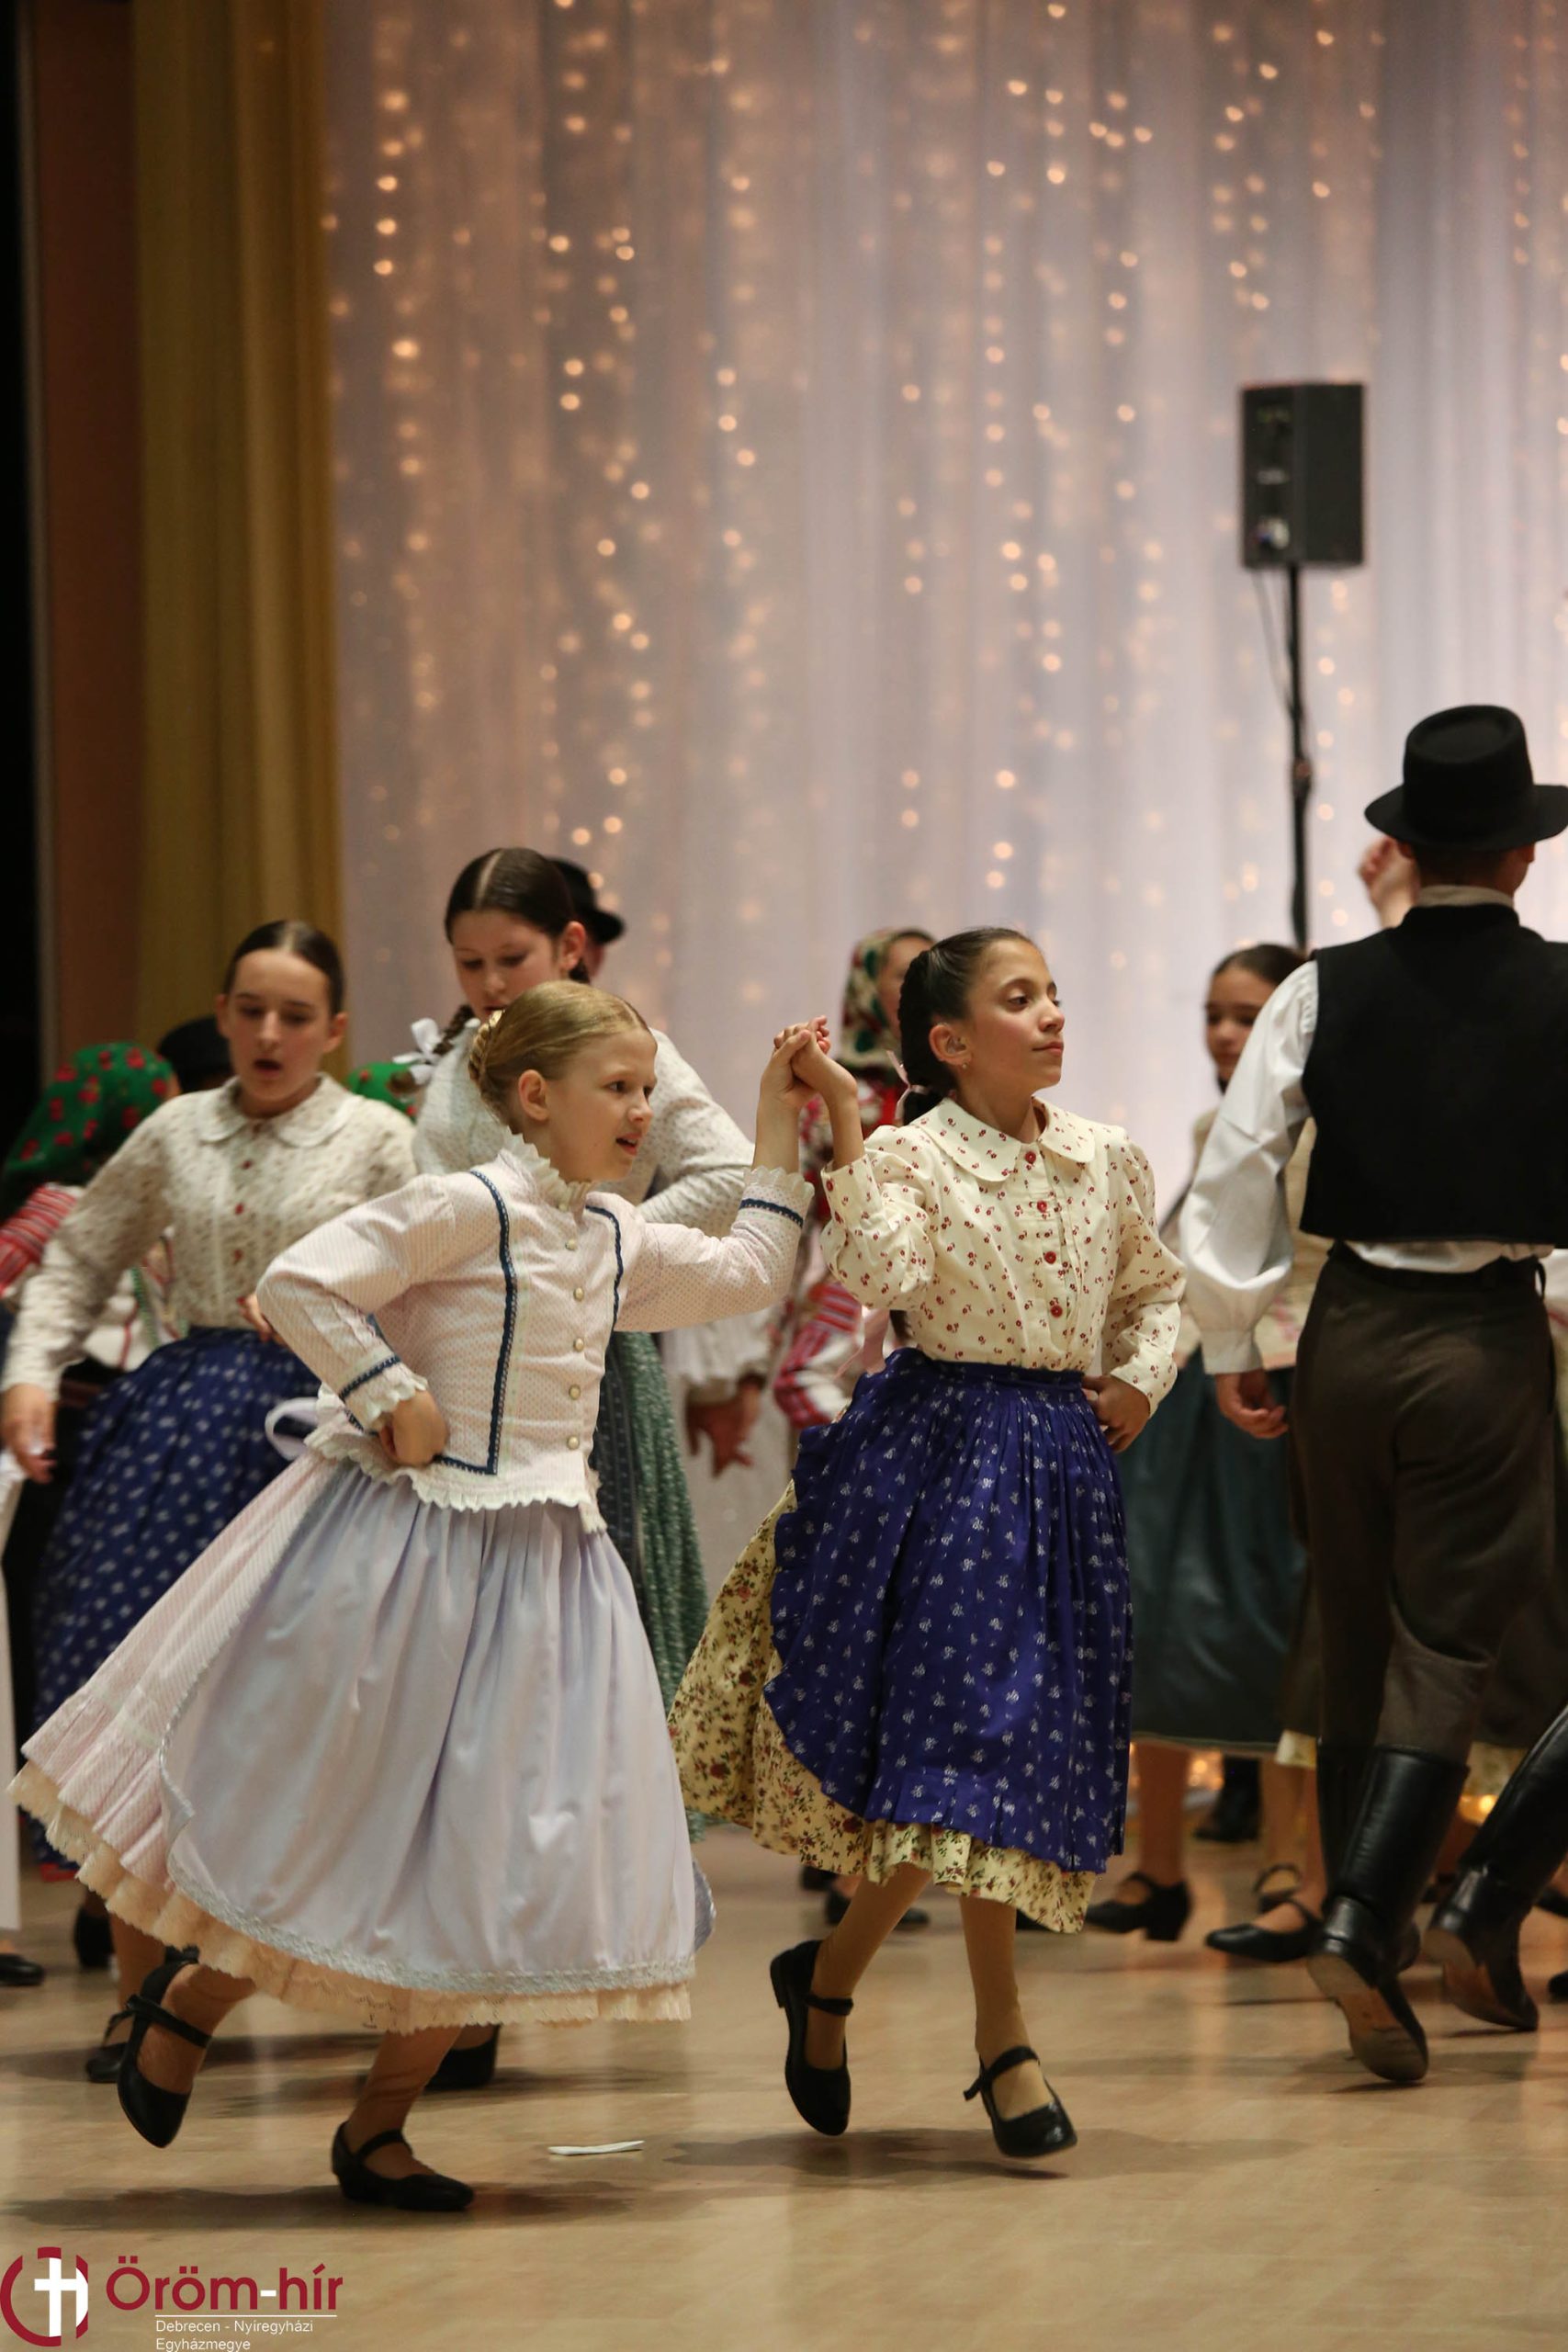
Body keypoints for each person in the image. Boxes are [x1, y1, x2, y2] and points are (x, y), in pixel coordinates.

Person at [13, 984, 813, 2211]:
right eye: (617, 1087)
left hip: (551, 1576)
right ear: (534, 1096)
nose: (641, 1113)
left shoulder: (608, 1231)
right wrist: (389, 1389)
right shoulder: (465, 1205)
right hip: (417, 1564)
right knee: (347, 1822)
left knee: (491, 1864)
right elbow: (301, 1281)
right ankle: (194, 1997)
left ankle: (378, 2129)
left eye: (647, 1090)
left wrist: (773, 1116)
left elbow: (750, 1269)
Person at [671, 927, 1182, 2158]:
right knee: (961, 1751)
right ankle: (1001, 2040)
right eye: (1020, 998)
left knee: (993, 1753)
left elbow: (1153, 1292)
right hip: (943, 1462)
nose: (1051, 1014)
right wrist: (849, 1122)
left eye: (1052, 992)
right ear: (950, 1042)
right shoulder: (908, 1152)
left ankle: (830, 1977)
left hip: (1058, 1463)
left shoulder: (1105, 1155)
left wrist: (1141, 1378)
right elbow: (883, 1270)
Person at [1182, 705, 1568, 2086]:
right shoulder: (1563, 988)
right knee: (1450, 1641)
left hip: (1343, 1333)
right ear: (1521, 855)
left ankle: (1382, 1933)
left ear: (1403, 848)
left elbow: (1239, 1161)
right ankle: (1369, 1920)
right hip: (1482, 1335)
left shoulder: (1317, 990)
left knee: (1352, 1628)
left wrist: (1229, 1340)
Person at [0, 922, 415, 2076]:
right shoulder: (174, 1129)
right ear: (224, 1014)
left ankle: (364, 1981)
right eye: (251, 1010)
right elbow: (80, 1256)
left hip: (321, 1434)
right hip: (177, 1427)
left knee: (321, 1711)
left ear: (335, 1029)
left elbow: (435, 1282)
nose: (270, 1034)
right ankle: (139, 1996)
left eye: (296, 1015)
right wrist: (29, 1372)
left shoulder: (379, 1140)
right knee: (139, 1694)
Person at [1087, 945, 1329, 1959]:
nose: (1225, 1034)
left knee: (1277, 1614)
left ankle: (1289, 1865)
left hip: (1284, 1379)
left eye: (1247, 1015)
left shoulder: (1333, 1122)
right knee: (1155, 1608)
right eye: (1213, 1014)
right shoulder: (1208, 1128)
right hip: (1194, 1383)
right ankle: (1159, 1865)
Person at [0, 1044, 182, 1982]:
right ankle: (93, 1885)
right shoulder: (55, 1210)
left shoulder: (150, 1207)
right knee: (75, 1653)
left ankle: (110, 1899)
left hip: (136, 1443)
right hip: (60, 1449)